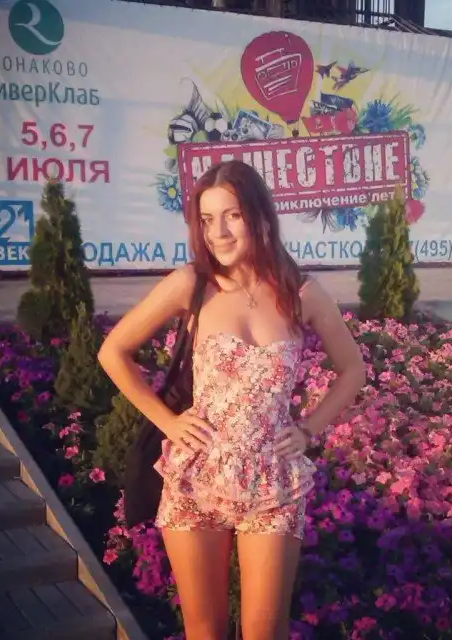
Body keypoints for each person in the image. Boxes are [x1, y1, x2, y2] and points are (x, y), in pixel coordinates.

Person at [98, 159, 366, 640]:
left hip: (273, 480)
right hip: (197, 475)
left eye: (232, 215)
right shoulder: (192, 285)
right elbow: (112, 351)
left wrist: (308, 429)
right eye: (207, 219)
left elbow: (353, 371)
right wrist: (168, 422)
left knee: (266, 630)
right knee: (205, 631)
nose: (217, 232)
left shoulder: (302, 293)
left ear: (260, 216)